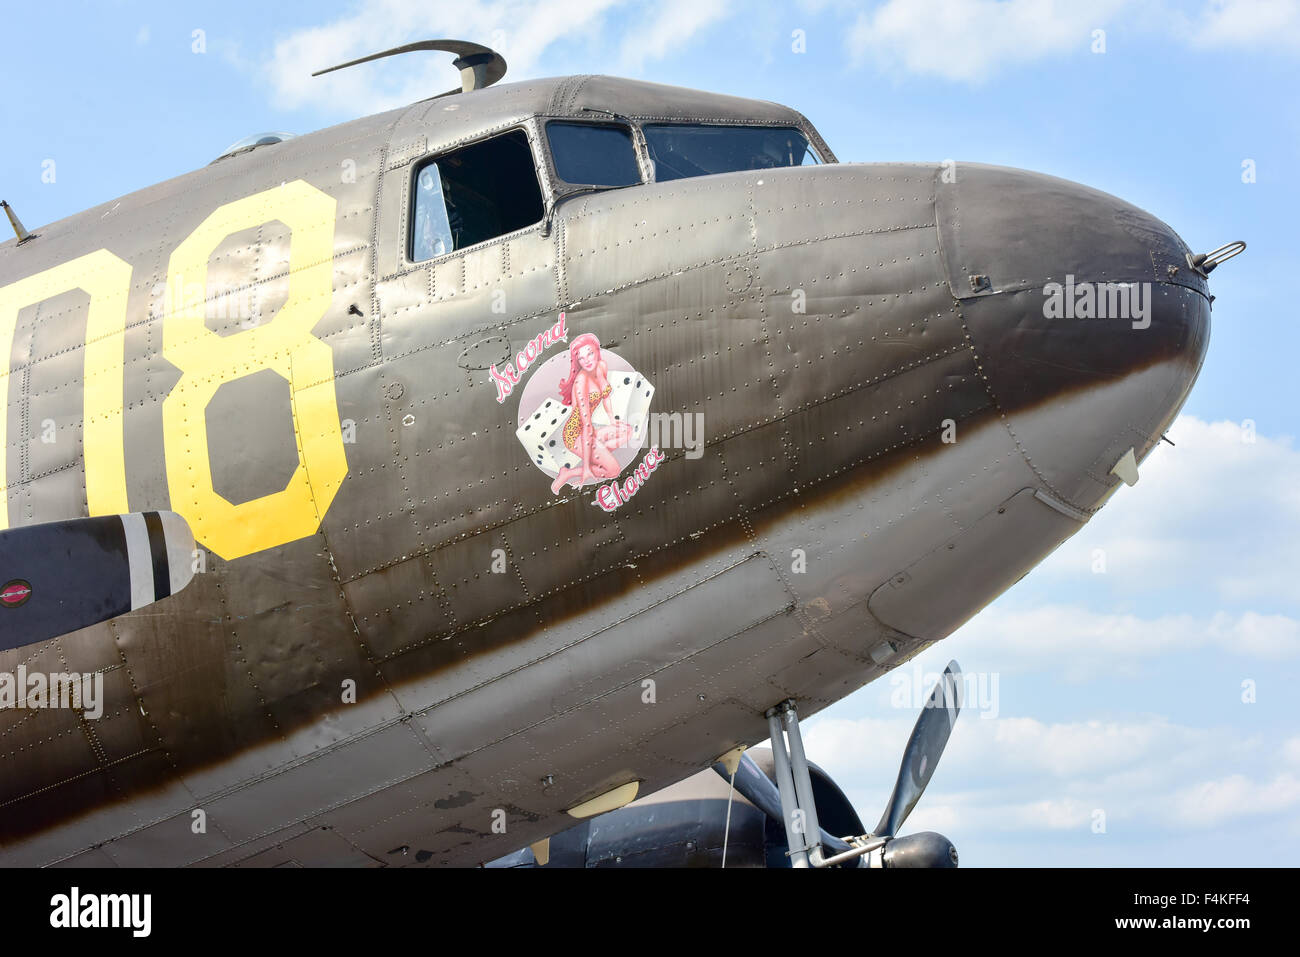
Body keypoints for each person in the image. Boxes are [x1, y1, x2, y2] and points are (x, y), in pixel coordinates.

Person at [550, 334, 634, 494]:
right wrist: (586, 469)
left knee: (627, 431)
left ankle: (598, 455)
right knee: (613, 471)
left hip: (590, 431)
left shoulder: (601, 365)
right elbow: (586, 425)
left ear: (597, 351)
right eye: (581, 358)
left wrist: (612, 420)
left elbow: (606, 395)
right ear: (577, 361)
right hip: (575, 435)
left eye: (589, 353)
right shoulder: (581, 382)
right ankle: (569, 473)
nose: (587, 360)